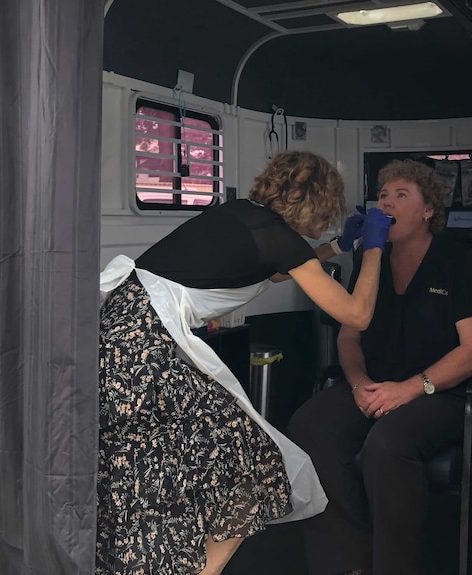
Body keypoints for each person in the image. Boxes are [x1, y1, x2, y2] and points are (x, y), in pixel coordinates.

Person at [96, 150, 391, 575]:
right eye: (327, 217)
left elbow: (265, 272)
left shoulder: (239, 215)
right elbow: (356, 314)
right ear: (315, 203)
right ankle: (203, 570)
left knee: (152, 477)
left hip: (116, 343)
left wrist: (336, 247)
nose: (326, 224)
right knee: (256, 461)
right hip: (144, 353)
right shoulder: (280, 239)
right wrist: (375, 249)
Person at [288, 159, 472, 575]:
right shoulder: (373, 262)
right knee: (309, 426)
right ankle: (348, 561)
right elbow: (349, 335)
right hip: (374, 386)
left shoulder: (458, 264)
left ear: (427, 211)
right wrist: (359, 383)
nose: (387, 202)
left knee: (388, 444)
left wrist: (408, 390)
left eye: (402, 195)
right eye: (383, 195)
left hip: (444, 394)